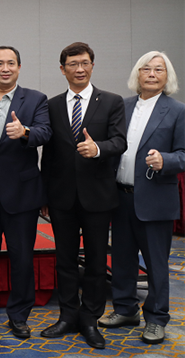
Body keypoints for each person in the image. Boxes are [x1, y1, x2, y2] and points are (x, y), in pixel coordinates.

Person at [40, 42, 126, 350]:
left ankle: (90, 319)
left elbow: (120, 141)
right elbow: (48, 155)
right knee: (64, 261)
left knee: (96, 262)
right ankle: (67, 316)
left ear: (92, 65)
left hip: (97, 197)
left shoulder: (112, 101)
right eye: (73, 64)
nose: (79, 69)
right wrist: (44, 195)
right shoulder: (51, 105)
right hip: (61, 198)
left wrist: (98, 148)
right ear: (62, 69)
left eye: (85, 63)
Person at [98, 51, 185, 345]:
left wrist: (166, 161)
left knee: (156, 264)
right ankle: (125, 310)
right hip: (120, 197)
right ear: (137, 74)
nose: (151, 74)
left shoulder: (177, 110)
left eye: (158, 69)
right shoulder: (121, 106)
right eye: (146, 69)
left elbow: (184, 154)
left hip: (155, 200)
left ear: (167, 77)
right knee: (122, 259)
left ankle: (157, 319)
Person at [0, 46, 52, 338]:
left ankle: (19, 314)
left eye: (11, 63)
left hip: (22, 193)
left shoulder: (36, 99)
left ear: (19, 67)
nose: (5, 68)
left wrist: (26, 132)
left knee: (22, 257)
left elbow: (45, 132)